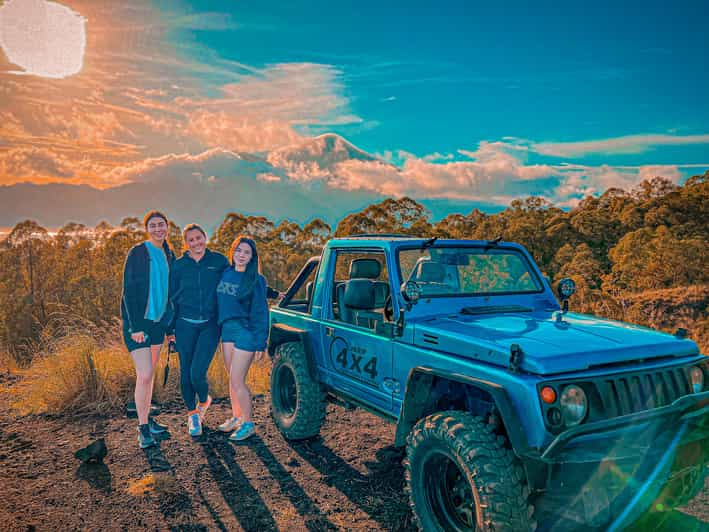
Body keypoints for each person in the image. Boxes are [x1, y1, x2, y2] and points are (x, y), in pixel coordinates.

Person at [121, 210, 175, 449]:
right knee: (143, 375)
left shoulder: (169, 253)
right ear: (147, 229)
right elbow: (128, 291)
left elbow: (171, 294)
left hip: (157, 325)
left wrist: (170, 327)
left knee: (150, 374)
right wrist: (135, 327)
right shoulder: (138, 253)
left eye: (161, 225)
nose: (157, 229)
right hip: (138, 326)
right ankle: (142, 429)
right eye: (152, 225)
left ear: (167, 227)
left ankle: (148, 420)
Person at [169, 224, 229, 437]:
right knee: (185, 375)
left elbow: (236, 283)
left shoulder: (219, 262)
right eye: (191, 240)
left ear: (205, 237)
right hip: (184, 325)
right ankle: (193, 414)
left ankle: (204, 400)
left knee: (197, 373)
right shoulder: (179, 266)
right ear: (186, 243)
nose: (196, 243)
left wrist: (269, 292)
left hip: (210, 325)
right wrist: (170, 329)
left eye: (199, 238)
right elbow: (171, 298)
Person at [217, 236, 269, 441]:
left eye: (246, 252)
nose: (241, 255)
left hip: (245, 332)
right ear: (233, 252)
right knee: (232, 378)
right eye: (238, 250)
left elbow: (260, 313)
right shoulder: (226, 273)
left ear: (252, 257)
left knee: (238, 380)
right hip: (226, 330)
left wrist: (260, 342)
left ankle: (248, 423)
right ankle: (236, 417)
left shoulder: (256, 280)